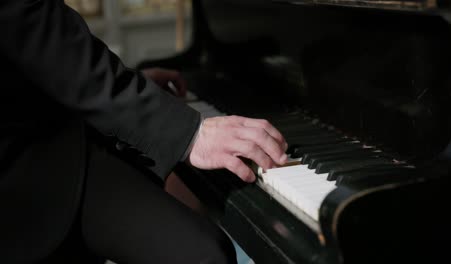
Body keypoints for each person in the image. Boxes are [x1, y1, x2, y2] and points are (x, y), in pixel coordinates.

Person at [0, 1, 288, 264]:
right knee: (204, 256)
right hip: (29, 161)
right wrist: (190, 132)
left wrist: (136, 92)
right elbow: (38, 32)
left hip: (57, 124)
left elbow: (39, 51)